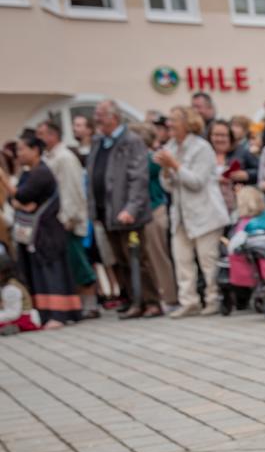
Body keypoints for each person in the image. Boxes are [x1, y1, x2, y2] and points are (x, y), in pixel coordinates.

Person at [153, 105, 230, 318]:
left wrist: (174, 165)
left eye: (174, 120)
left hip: (205, 213)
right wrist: (166, 170)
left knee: (208, 260)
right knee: (182, 260)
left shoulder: (202, 148)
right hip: (181, 215)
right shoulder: (170, 147)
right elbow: (167, 186)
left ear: (187, 123)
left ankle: (213, 299)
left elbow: (196, 182)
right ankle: (189, 301)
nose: (169, 124)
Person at [87, 99, 159, 319]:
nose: (97, 119)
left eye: (101, 114)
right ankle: (132, 299)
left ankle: (150, 301)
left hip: (128, 214)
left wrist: (131, 208)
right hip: (106, 211)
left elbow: (138, 178)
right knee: (120, 259)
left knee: (137, 259)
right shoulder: (99, 141)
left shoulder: (131, 141)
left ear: (114, 117)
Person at [6, 134, 79, 328]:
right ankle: (45, 314)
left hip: (47, 232)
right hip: (35, 233)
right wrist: (20, 203)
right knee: (38, 273)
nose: (18, 154)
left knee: (51, 272)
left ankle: (59, 315)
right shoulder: (29, 173)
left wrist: (4, 181)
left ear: (35, 150)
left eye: (22, 149)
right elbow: (15, 201)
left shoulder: (41, 173)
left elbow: (21, 196)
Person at [37, 120, 98, 319]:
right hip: (55, 220)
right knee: (71, 263)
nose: (39, 138)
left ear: (52, 135)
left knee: (79, 261)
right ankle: (80, 303)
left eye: (42, 134)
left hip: (67, 219)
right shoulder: (49, 157)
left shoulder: (64, 157)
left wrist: (70, 217)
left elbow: (72, 189)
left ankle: (91, 305)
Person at [130, 122, 179, 312]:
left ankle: (169, 297)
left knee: (159, 256)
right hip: (144, 212)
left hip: (155, 210)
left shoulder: (152, 159)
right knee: (149, 257)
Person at [208, 119, 257, 214]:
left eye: (223, 135)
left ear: (230, 137)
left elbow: (260, 171)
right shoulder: (205, 154)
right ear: (210, 137)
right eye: (216, 135)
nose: (220, 139)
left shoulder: (241, 152)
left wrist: (246, 175)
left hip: (238, 204)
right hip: (211, 205)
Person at [0, 250, 40, 334]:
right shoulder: (6, 285)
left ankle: (13, 328)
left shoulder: (11, 289)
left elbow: (13, 313)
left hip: (22, 318)